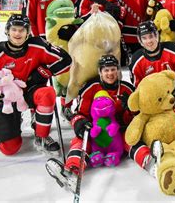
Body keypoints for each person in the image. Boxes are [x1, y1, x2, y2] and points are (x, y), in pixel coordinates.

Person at [46, 54, 160, 191]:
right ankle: (71, 171)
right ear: (100, 72)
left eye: (113, 69)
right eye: (106, 70)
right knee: (80, 140)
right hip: (97, 132)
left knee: (131, 137)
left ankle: (151, 164)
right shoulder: (90, 87)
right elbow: (80, 114)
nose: (110, 73)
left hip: (119, 132)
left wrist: (129, 110)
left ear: (118, 70)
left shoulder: (127, 89)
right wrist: (79, 124)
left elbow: (138, 118)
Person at [0, 14, 72, 156]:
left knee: (48, 93)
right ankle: (15, 119)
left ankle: (41, 136)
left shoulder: (39, 45)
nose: (17, 33)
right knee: (9, 149)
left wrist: (44, 71)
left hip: (31, 90)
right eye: (14, 29)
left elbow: (66, 60)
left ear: (28, 32)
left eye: (22, 30)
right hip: (5, 99)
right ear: (7, 31)